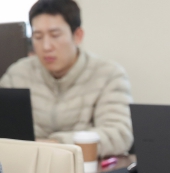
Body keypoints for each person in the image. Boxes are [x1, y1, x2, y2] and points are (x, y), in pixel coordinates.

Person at [0, 0, 133, 157]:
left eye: (55, 35)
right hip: (29, 165)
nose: (46, 46)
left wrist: (56, 145)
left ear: (77, 36)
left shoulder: (108, 74)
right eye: (38, 36)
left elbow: (119, 134)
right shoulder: (18, 74)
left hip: (85, 167)